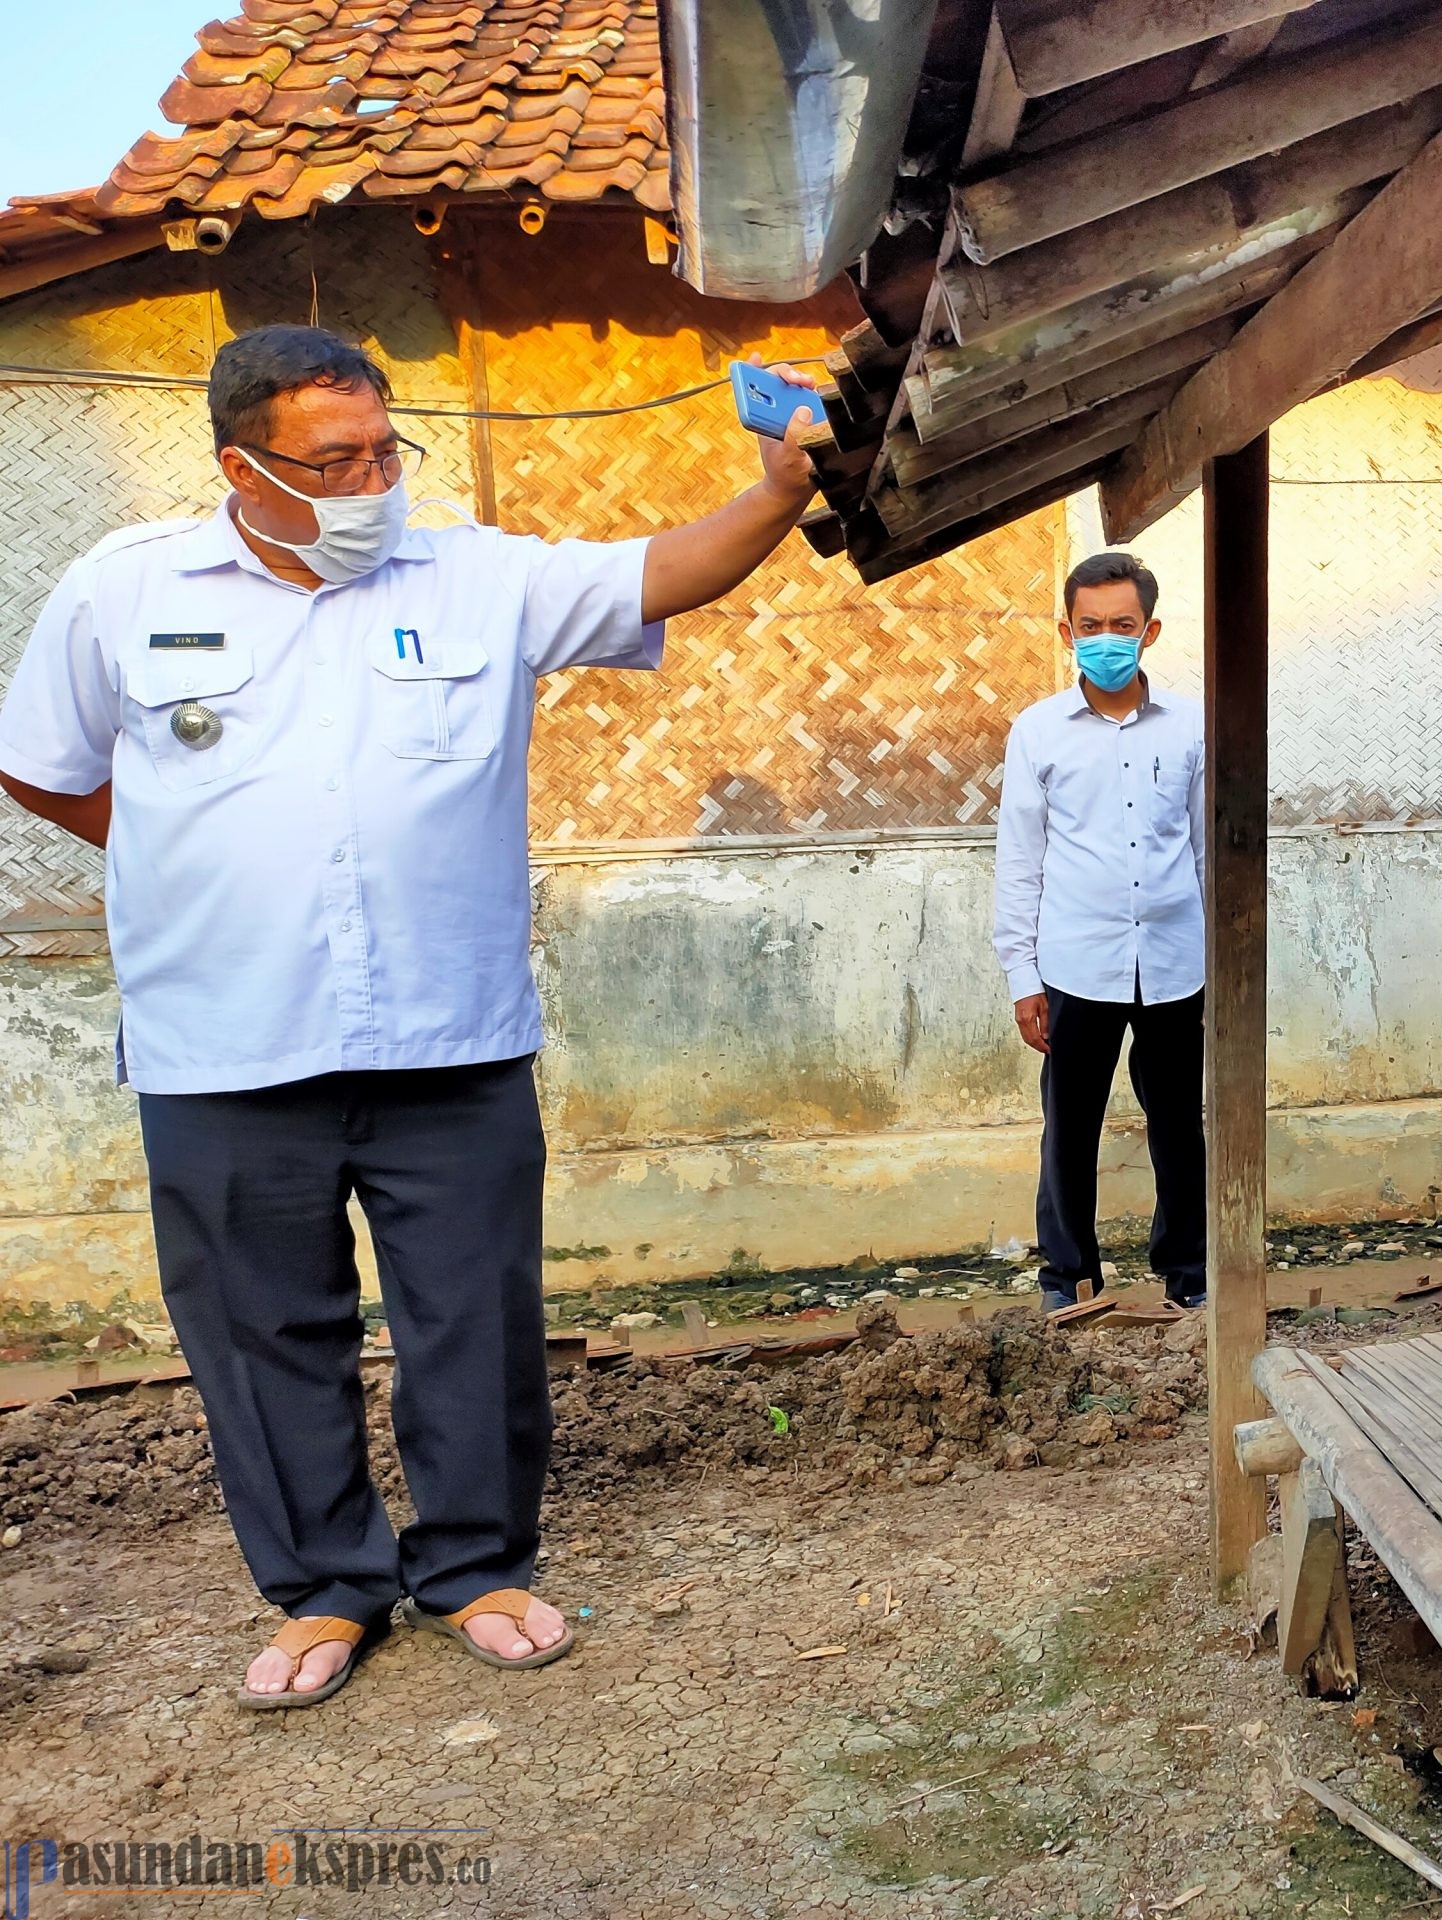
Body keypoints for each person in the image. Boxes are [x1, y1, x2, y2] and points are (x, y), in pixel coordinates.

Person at [0, 325, 828, 1706]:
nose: (371, 481)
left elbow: (663, 569)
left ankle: (477, 1569)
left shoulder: (472, 573)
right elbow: (43, 766)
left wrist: (781, 491)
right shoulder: (122, 591)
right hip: (224, 1040)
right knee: (263, 1333)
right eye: (335, 461)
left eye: (386, 449)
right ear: (243, 468)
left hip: (449, 1033)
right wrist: (179, 860)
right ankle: (326, 1590)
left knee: (473, 1317)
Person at [992, 551, 1208, 1315]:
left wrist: (1225, 958)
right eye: (1090, 627)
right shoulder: (1039, 732)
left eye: (1122, 625)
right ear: (1066, 631)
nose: (1106, 639)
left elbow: (1208, 848)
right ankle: (1070, 1280)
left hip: (1176, 963)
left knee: (1180, 1126)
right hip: (1076, 965)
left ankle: (1190, 1277)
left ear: (1150, 631)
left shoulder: (1192, 726)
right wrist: (1022, 975)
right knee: (1070, 1129)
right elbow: (1020, 858)